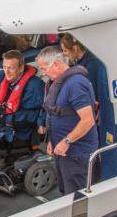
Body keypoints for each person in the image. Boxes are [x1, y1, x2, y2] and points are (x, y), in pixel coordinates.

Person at [37, 46, 99, 195]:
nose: (43, 73)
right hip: (63, 152)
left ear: (56, 64)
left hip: (76, 154)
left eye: (44, 69)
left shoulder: (76, 84)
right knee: (66, 190)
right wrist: (52, 140)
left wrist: (66, 142)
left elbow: (87, 120)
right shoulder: (59, 83)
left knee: (78, 195)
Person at [60, 34, 117, 181]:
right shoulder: (81, 64)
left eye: (65, 51)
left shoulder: (92, 66)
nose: (64, 54)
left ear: (74, 48)